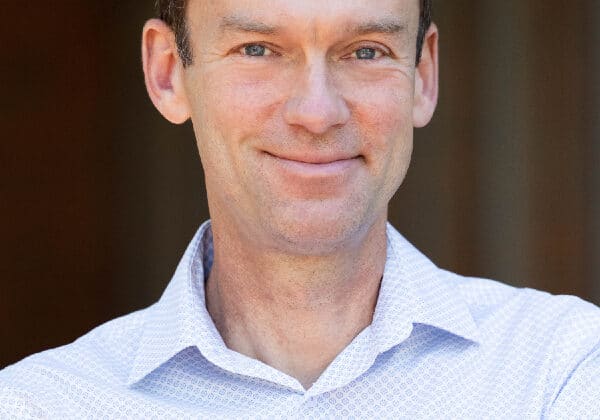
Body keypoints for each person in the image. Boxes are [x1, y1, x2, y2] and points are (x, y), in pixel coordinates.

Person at [1, 0, 599, 417]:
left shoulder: (562, 371)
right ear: (167, 72)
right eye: (257, 49)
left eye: (365, 51)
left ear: (421, 74)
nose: (317, 112)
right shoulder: (42, 406)